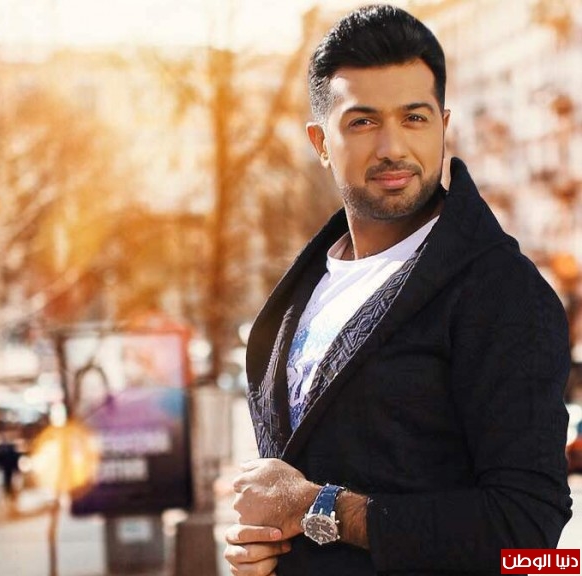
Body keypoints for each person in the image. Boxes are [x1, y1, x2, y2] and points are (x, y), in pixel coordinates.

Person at [224, 4, 572, 576]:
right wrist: (262, 541)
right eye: (363, 122)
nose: (392, 147)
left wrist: (317, 509)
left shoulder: (501, 293)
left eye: (414, 118)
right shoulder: (304, 290)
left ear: (443, 125)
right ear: (320, 142)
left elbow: (527, 534)